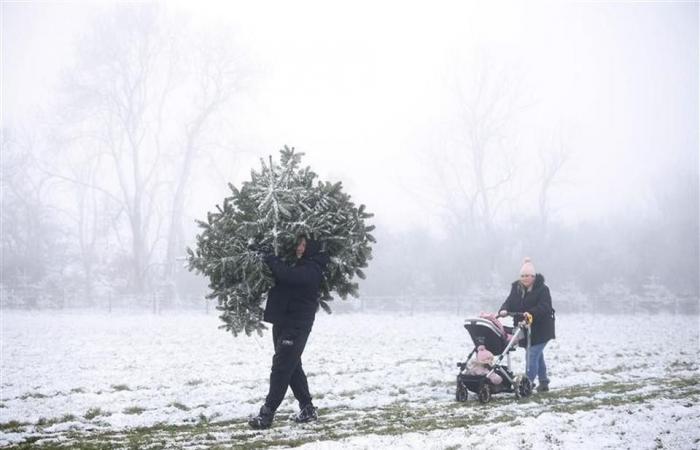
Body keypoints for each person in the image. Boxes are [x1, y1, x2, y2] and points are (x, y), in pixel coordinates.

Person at [248, 234, 330, 429]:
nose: (299, 248)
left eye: (304, 244)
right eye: (298, 244)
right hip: (283, 322)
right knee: (292, 367)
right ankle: (308, 409)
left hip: (297, 326)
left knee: (281, 368)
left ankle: (266, 414)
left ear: (312, 247)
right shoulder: (299, 264)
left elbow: (287, 276)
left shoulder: (313, 268)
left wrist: (270, 257)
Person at [498, 257, 555, 392]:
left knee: (532, 354)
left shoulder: (543, 290)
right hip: (524, 327)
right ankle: (544, 382)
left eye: (528, 276)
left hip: (541, 329)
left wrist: (529, 313)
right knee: (536, 355)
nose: (525, 278)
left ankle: (527, 384)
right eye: (522, 276)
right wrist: (503, 309)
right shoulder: (516, 288)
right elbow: (509, 301)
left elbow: (545, 307)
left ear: (533, 276)